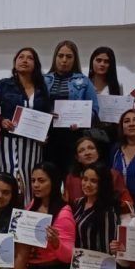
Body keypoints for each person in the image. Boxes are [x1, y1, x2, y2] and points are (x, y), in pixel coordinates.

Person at [0, 47, 52, 205]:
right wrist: (2, 120)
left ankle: (28, 214)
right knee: (8, 180)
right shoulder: (5, 84)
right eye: (21, 57)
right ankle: (6, 215)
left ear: (35, 64)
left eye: (29, 58)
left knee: (32, 182)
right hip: (8, 142)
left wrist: (45, 134)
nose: (25, 60)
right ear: (15, 62)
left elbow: (47, 114)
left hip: (33, 144)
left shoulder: (42, 87)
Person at [44, 40, 100, 174]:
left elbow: (94, 109)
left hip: (73, 136)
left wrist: (81, 121)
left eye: (69, 57)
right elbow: (35, 106)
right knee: (48, 175)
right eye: (60, 56)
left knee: (71, 174)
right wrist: (46, 114)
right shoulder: (43, 80)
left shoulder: (84, 81)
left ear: (75, 59)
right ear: (55, 57)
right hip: (47, 136)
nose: (64, 60)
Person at [65, 135, 133, 213]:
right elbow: (68, 205)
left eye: (91, 148)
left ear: (98, 153)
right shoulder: (71, 178)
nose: (87, 153)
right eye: (81, 150)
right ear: (77, 158)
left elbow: (127, 203)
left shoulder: (113, 174)